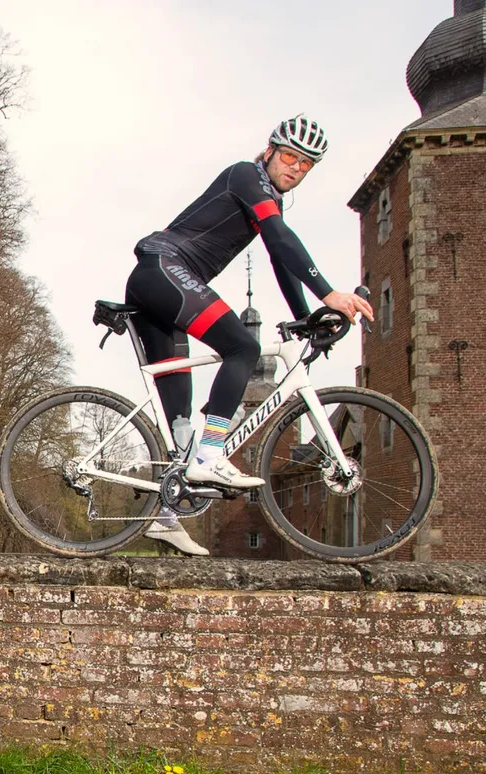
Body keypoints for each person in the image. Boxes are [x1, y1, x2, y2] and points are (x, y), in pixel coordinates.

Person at [124, 116, 374, 556]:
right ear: (270, 151)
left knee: (180, 423)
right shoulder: (246, 174)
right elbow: (280, 238)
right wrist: (330, 293)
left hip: (162, 288)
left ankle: (166, 515)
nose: (296, 168)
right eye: (290, 157)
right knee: (243, 346)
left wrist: (305, 317)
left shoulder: (266, 201)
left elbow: (280, 259)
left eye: (307, 164)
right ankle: (210, 457)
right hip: (165, 269)